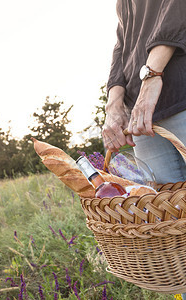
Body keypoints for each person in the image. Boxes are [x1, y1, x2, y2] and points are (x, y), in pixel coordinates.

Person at [102, 1, 186, 298]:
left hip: (179, 90)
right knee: (171, 235)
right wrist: (114, 102)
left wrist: (152, 74)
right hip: (141, 118)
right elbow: (123, 42)